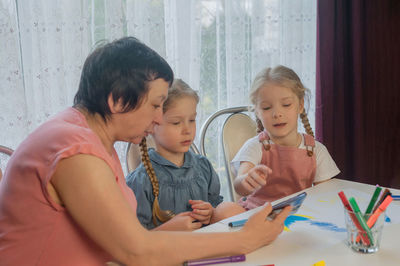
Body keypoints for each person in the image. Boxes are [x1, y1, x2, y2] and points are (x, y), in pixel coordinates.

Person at [0, 37, 291, 265]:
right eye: (155, 105)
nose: (157, 118)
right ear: (117, 100)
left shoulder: (90, 136)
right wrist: (244, 240)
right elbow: (136, 252)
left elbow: (124, 242)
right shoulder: (74, 151)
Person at [126, 79, 244, 230]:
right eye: (176, 123)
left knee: (229, 208)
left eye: (192, 120)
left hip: (206, 246)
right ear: (152, 124)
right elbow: (137, 238)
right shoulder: (141, 181)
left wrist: (210, 212)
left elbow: (216, 205)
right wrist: (169, 229)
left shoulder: (203, 166)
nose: (187, 130)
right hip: (167, 251)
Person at [232, 65, 340, 210]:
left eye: (286, 104)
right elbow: (239, 186)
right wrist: (245, 181)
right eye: (266, 108)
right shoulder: (255, 147)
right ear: (257, 111)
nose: (277, 113)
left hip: (298, 218)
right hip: (258, 218)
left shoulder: (315, 150)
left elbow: (326, 196)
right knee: (227, 209)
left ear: (300, 105)